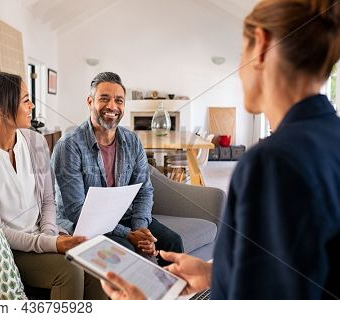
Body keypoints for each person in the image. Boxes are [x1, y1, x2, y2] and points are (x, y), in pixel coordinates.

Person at [101, 0, 340, 299]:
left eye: (241, 53)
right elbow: (297, 273)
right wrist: (215, 274)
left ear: (262, 45)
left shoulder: (271, 162)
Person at [0, 71, 106, 300]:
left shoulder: (35, 141)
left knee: (94, 262)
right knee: (69, 270)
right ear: (2, 110)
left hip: (42, 236)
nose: (32, 105)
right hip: (9, 250)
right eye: (26, 100)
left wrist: (49, 237)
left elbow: (48, 200)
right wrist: (50, 244)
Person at [51, 72, 184, 266]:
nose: (112, 106)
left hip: (124, 216)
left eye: (118, 100)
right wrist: (129, 235)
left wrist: (140, 229)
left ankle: (171, 295)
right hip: (84, 224)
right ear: (90, 102)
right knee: (127, 251)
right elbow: (76, 211)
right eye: (104, 99)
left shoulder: (132, 141)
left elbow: (144, 190)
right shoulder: (69, 146)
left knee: (173, 242)